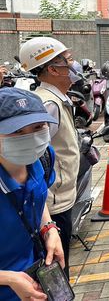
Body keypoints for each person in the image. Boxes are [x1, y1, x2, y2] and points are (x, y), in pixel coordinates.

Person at [19, 37, 79, 278]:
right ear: (53, 69)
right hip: (52, 204)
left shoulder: (55, 99)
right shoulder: (48, 105)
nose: (75, 65)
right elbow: (34, 157)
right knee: (56, 272)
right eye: (69, 59)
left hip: (59, 197)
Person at [0, 87, 65, 301]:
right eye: (17, 131)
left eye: (38, 127)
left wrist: (49, 229)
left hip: (37, 282)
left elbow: (39, 195)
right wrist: (8, 278)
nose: (31, 138)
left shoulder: (43, 158)